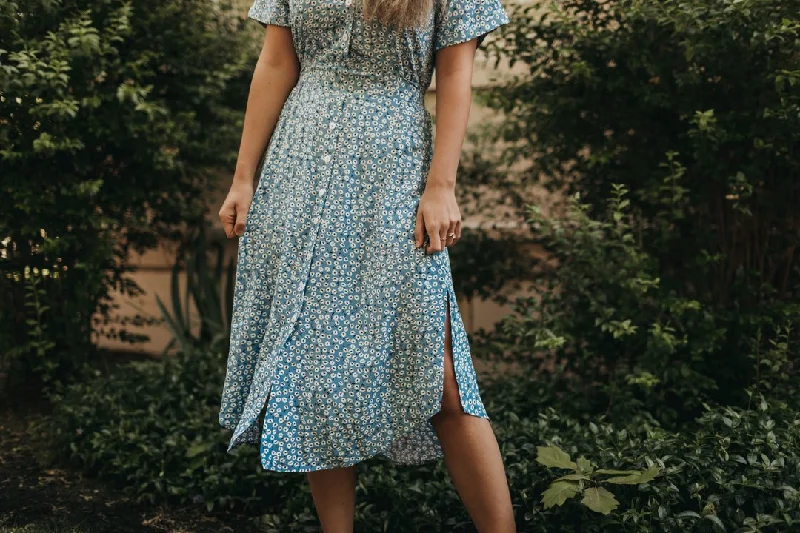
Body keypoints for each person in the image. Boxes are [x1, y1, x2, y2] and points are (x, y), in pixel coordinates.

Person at [217, 0, 515, 530]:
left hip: (394, 168)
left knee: (442, 373)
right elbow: (277, 62)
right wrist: (244, 176)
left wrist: (441, 185)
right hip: (299, 160)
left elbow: (455, 70)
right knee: (314, 366)